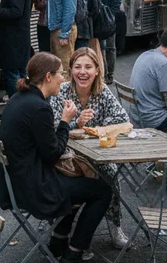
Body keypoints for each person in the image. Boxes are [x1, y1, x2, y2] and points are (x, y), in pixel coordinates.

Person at [0, 52, 112, 263]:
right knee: (102, 190)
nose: (63, 78)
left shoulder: (20, 98)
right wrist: (66, 122)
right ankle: (73, 256)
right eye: (60, 74)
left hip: (14, 182)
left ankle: (58, 242)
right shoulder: (39, 107)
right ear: (48, 77)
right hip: (33, 188)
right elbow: (53, 153)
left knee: (77, 185)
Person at [49, 48, 130, 249]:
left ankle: (114, 225)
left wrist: (96, 129)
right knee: (84, 179)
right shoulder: (62, 91)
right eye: (77, 67)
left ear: (96, 71)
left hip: (98, 153)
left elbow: (124, 121)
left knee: (110, 174)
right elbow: (50, 126)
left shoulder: (102, 91)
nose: (82, 72)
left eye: (88, 67)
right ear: (70, 70)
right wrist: (76, 123)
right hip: (67, 155)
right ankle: (64, 224)